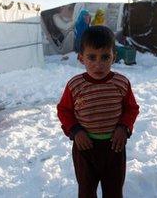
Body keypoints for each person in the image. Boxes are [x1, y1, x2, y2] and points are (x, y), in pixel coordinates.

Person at [57, 26, 139, 198]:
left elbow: (131, 108)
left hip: (114, 148)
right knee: (86, 192)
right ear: (81, 58)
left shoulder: (121, 83)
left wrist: (123, 128)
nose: (98, 64)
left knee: (114, 191)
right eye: (92, 57)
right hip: (85, 149)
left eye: (105, 57)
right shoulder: (75, 85)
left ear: (114, 57)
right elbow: (64, 110)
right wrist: (76, 131)